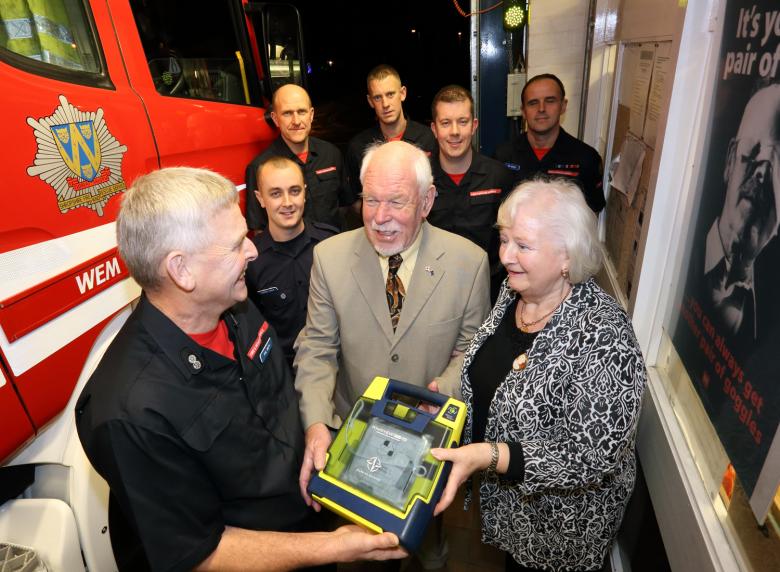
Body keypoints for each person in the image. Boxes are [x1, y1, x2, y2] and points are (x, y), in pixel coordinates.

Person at [75, 167, 406, 572]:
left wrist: (314, 432)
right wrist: (335, 547)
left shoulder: (238, 308)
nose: (252, 251)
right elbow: (200, 554)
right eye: (236, 245)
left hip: (307, 521)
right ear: (181, 270)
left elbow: (278, 396)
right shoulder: (128, 412)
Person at [430, 178, 647, 572]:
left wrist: (489, 454)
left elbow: (590, 456)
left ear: (567, 256)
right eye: (504, 240)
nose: (506, 256)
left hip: (560, 534)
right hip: (511, 517)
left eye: (523, 245)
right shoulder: (514, 293)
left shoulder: (605, 336)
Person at [295, 140, 490, 570]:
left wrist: (443, 388)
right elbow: (317, 349)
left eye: (396, 202)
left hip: (428, 446)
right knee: (360, 557)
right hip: (353, 443)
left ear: (427, 201)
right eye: (371, 200)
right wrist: (315, 424)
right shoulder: (328, 259)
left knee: (428, 548)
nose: (380, 218)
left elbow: (470, 349)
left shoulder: (470, 263)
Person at [701, 83, 780, 341]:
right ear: (729, 161)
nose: (762, 173)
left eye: (778, 166)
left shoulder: (770, 313)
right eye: (753, 151)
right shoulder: (678, 258)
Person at [246, 156, 337, 367]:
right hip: (282, 372)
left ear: (305, 192)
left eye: (295, 191)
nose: (287, 202)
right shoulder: (251, 261)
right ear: (260, 198)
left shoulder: (331, 245)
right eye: (276, 193)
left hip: (335, 364)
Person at [427, 84, 513, 297]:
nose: (455, 131)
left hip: (488, 289)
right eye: (445, 123)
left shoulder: (499, 177)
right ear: (434, 129)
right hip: (433, 288)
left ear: (474, 126)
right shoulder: (419, 177)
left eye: (462, 122)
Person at [246, 84, 355, 231]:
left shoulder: (331, 154)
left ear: (311, 115)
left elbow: (344, 206)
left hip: (333, 247)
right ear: (275, 118)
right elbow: (259, 228)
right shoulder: (260, 167)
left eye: (302, 112)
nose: (296, 121)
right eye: (287, 113)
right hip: (290, 253)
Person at [495, 74, 605, 213]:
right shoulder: (503, 155)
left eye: (550, 100)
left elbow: (592, 212)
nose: (541, 109)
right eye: (533, 103)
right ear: (523, 111)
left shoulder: (586, 158)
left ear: (563, 106)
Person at [345, 65, 437, 199]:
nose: (385, 104)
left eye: (390, 94)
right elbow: (354, 200)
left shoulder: (426, 137)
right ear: (370, 101)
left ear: (402, 93)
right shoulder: (358, 146)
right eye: (377, 97)